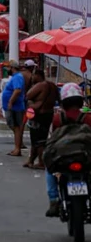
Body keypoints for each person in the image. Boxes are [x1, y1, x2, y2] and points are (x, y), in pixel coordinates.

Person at [45, 83, 91, 217]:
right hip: (85, 156)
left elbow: (52, 139)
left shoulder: (57, 118)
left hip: (63, 157)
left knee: (49, 169)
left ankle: (53, 200)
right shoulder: (87, 118)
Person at [24, 67, 59, 169]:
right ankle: (30, 160)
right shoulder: (52, 86)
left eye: (33, 75)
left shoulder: (41, 85)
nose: (32, 77)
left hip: (39, 114)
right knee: (38, 139)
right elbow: (57, 98)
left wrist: (31, 102)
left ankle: (41, 162)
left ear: (38, 75)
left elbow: (28, 95)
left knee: (38, 140)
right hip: (48, 114)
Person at [2, 60, 27, 156]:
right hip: (13, 106)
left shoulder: (17, 78)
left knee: (16, 127)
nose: (7, 69)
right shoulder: (15, 77)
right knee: (14, 127)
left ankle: (18, 148)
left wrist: (11, 101)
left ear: (12, 68)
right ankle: (17, 146)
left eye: (8, 67)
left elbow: (17, 90)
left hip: (15, 107)